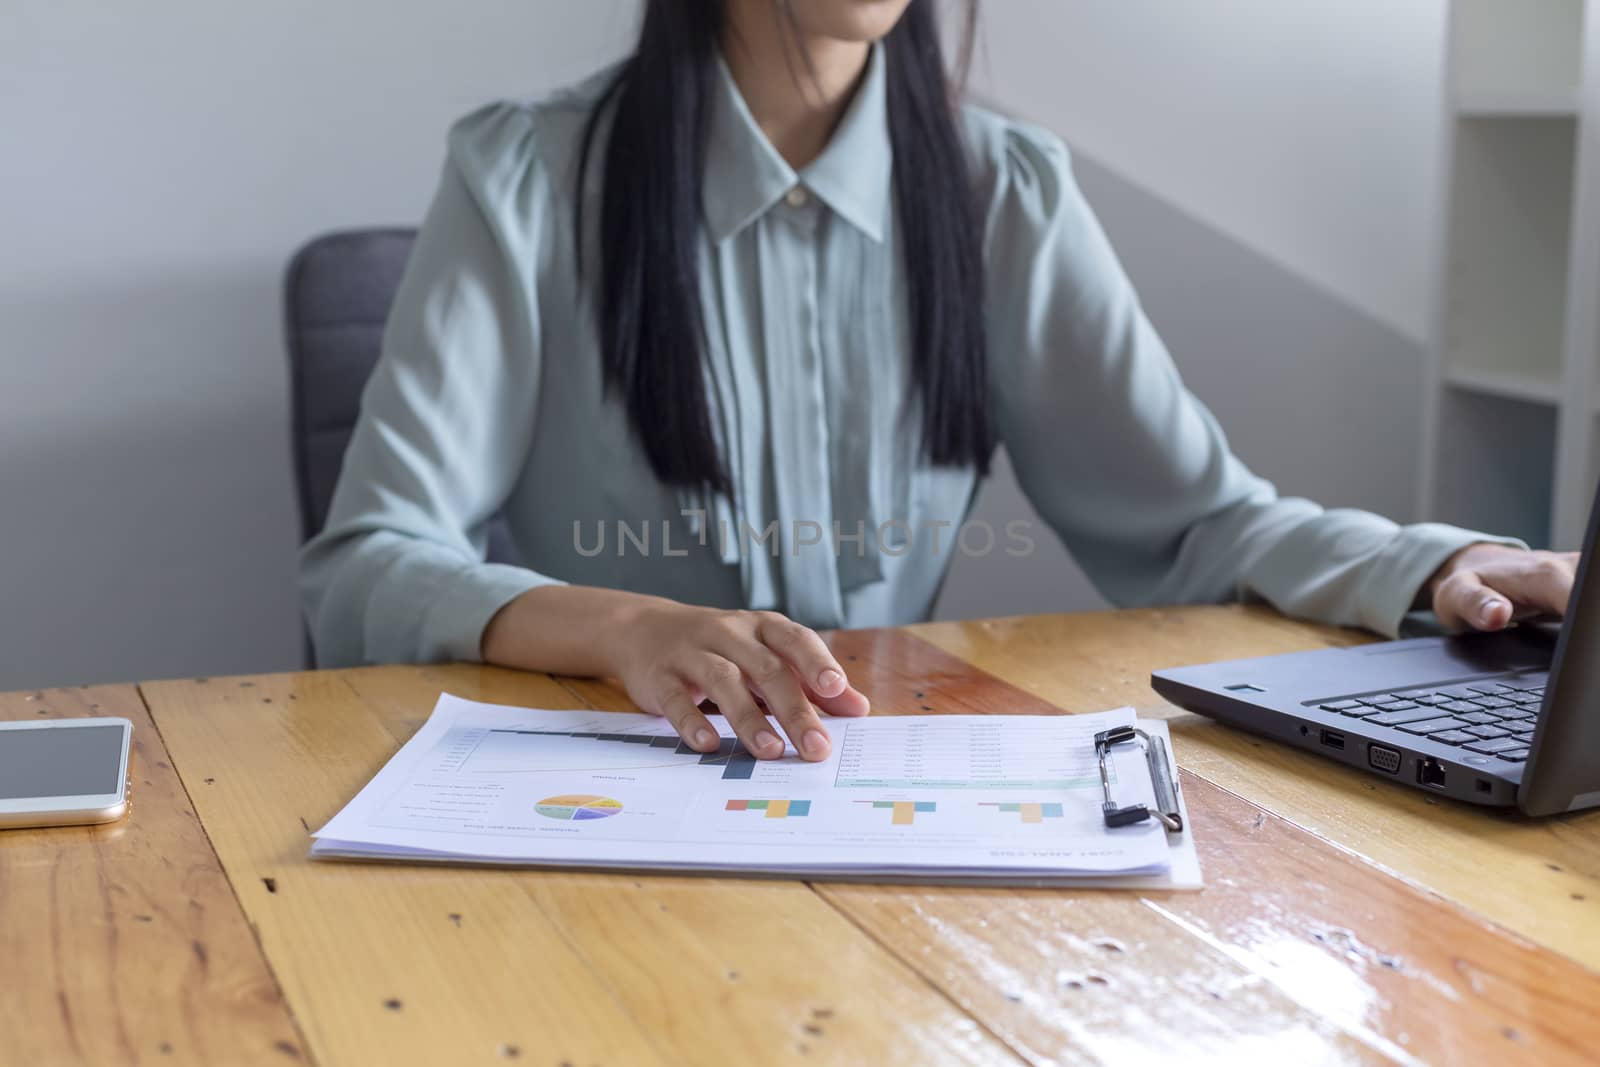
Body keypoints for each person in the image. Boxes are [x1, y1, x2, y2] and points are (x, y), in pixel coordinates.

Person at [300, 0, 1575, 766]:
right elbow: (367, 560)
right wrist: (627, 629)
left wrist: (1424, 561)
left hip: (869, 778)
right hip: (609, 775)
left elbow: (1194, 522)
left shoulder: (999, 187)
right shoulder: (525, 177)